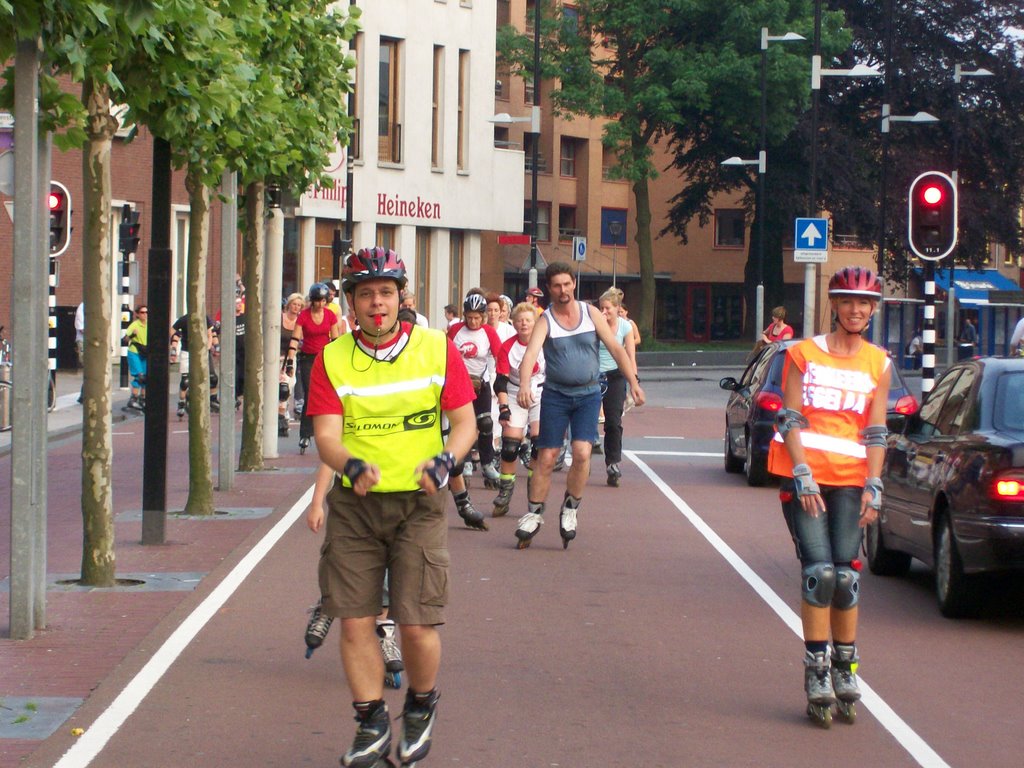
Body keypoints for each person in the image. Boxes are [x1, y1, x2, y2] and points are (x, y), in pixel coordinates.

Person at [304, 246, 477, 768]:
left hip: (419, 503)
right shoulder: (332, 359)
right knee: (354, 620)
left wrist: (446, 461)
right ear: (350, 303)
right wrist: (351, 465)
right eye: (365, 294)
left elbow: (465, 422)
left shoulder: (435, 348)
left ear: (401, 297)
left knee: (416, 623)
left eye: (385, 292)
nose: (376, 303)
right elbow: (326, 437)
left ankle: (421, 705)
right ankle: (371, 720)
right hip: (356, 507)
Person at [767, 266, 891, 728]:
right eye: (848, 302)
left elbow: (876, 430)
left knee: (847, 575)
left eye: (865, 304)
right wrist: (801, 472)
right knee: (819, 573)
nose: (856, 310)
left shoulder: (878, 361)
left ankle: (846, 665)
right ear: (834, 306)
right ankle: (817, 670)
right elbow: (790, 417)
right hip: (806, 479)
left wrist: (875, 486)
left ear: (873, 310)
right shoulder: (803, 353)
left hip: (852, 479)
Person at [513, 262, 644, 550]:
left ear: (574, 284)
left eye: (567, 284)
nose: (563, 290)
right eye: (557, 285)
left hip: (587, 395)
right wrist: (524, 384)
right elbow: (530, 354)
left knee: (583, 452)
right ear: (550, 288)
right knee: (547, 456)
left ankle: (570, 508)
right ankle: (534, 514)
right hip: (556, 396)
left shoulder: (591, 313)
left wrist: (633, 383)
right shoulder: (545, 320)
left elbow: (616, 347)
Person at [448, 292, 509, 488]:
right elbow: (444, 352)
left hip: (480, 383)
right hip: (459, 384)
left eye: (477, 317)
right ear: (464, 315)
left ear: (483, 316)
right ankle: (464, 462)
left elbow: (501, 355)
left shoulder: (488, 332)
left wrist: (502, 375)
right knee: (462, 425)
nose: (473, 322)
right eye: (469, 317)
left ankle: (487, 463)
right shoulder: (456, 330)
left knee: (485, 423)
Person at [491, 302, 545, 517]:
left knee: (539, 446)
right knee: (510, 447)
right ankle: (505, 493)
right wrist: (504, 408)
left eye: (528, 320)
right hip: (514, 393)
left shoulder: (544, 344)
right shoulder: (507, 347)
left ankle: (534, 493)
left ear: (536, 323)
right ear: (514, 322)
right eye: (520, 320)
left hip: (540, 393)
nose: (524, 324)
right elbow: (500, 382)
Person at [286, 282, 339, 453]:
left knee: (329, 395)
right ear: (313, 301)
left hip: (325, 358)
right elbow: (295, 338)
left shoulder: (330, 315)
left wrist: (337, 361)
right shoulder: (304, 316)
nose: (321, 304)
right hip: (308, 358)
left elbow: (335, 339)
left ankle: (330, 432)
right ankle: (305, 434)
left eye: (324, 301)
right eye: (318, 301)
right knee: (310, 395)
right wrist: (289, 360)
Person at [597, 289, 637, 487]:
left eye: (608, 308)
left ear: (617, 309)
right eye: (601, 308)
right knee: (586, 420)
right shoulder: (595, 325)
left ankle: (612, 463)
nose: (604, 311)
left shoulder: (625, 327)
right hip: (594, 376)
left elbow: (630, 355)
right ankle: (580, 459)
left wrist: (634, 382)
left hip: (615, 375)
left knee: (613, 421)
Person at [169, 312, 218, 418]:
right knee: (185, 381)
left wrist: (208, 349)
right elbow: (172, 331)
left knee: (212, 378)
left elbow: (210, 335)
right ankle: (181, 403)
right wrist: (172, 348)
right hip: (187, 352)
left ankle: (213, 400)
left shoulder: (205, 317)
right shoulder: (184, 320)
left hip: (202, 351)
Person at [279, 293, 305, 437]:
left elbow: (301, 341)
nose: (296, 307)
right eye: (294, 304)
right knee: (279, 387)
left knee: (288, 385)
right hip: (275, 357)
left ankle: (282, 412)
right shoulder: (280, 317)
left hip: (290, 357)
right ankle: (280, 417)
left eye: (299, 305)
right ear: (289, 304)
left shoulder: (299, 322)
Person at [123, 305, 148, 411]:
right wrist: (133, 335)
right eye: (142, 312)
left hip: (146, 352)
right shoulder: (134, 325)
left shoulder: (149, 325)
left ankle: (143, 399)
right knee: (140, 376)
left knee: (146, 377)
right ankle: (133, 400)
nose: (145, 314)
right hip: (135, 352)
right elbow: (125, 339)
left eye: (147, 312)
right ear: (137, 314)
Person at [75, 301, 85, 403]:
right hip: (84, 341)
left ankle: (84, 394)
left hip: (96, 343)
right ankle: (84, 395)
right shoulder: (82, 307)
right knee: (88, 367)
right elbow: (81, 328)